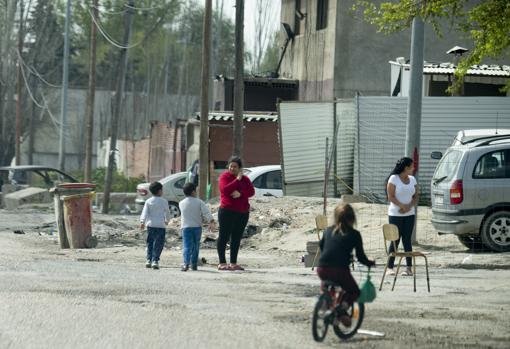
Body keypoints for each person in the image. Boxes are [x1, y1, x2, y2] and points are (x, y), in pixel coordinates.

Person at [317, 204, 375, 326]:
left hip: (322, 268)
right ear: (353, 218)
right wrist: (370, 263)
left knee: (326, 283)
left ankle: (324, 301)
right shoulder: (354, 234)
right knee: (354, 292)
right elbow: (361, 257)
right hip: (340, 270)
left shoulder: (327, 230)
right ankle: (342, 309)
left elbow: (322, 247)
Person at [217, 156, 255, 271]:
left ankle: (233, 263)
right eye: (230, 166)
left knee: (236, 238)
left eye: (235, 166)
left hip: (242, 212)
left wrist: (241, 194)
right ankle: (222, 262)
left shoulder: (246, 179)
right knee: (224, 236)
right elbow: (225, 190)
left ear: (240, 168)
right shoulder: (224, 177)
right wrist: (237, 180)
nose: (232, 168)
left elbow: (252, 191)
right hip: (227, 211)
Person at [386, 157, 419, 277]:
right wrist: (401, 206)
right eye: (412, 166)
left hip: (409, 214)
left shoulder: (413, 179)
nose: (413, 168)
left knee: (407, 240)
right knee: (395, 239)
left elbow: (416, 196)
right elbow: (390, 196)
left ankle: (408, 268)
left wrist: (409, 206)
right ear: (406, 168)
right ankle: (390, 267)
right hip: (395, 214)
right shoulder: (394, 178)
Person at [179, 182, 214, 272]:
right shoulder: (199, 202)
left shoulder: (181, 203)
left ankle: (186, 263)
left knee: (187, 246)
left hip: (185, 228)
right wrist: (211, 221)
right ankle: (194, 264)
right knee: (195, 246)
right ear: (193, 192)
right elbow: (206, 212)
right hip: (197, 227)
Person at [140, 181, 171, 270]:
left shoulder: (148, 201)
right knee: (159, 243)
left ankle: (148, 260)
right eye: (162, 190)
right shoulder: (164, 201)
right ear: (159, 191)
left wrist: (142, 222)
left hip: (150, 225)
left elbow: (144, 212)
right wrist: (167, 220)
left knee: (150, 242)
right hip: (161, 226)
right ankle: (155, 261)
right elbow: (167, 212)